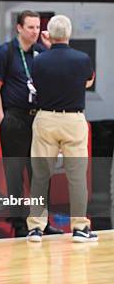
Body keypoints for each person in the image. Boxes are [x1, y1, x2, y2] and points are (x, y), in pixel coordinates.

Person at [0, 10, 63, 237]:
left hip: (38, 117)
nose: (35, 31)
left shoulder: (42, 52)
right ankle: (20, 224)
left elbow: (60, 72)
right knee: (15, 173)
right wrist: (2, 119)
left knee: (41, 172)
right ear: (19, 28)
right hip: (14, 118)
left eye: (38, 27)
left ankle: (41, 222)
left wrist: (51, 48)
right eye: (30, 27)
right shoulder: (5, 53)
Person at [27, 15, 97, 243]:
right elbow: (88, 82)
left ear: (49, 34)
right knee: (76, 178)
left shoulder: (39, 60)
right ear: (69, 34)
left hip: (45, 119)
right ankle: (79, 228)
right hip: (74, 121)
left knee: (40, 176)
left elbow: (37, 84)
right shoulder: (83, 59)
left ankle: (36, 228)